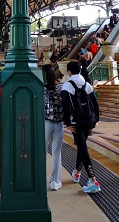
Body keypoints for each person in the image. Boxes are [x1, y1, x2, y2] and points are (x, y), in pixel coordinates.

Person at [61, 60, 101, 193]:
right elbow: (95, 104)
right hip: (88, 121)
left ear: (69, 72)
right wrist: (95, 120)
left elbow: (66, 107)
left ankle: (93, 180)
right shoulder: (87, 85)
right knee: (81, 145)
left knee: (83, 148)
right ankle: (77, 172)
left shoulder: (67, 86)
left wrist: (67, 124)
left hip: (76, 123)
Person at [42, 64, 64, 191]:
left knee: (42, 152)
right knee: (56, 152)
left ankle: (41, 179)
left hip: (45, 122)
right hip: (58, 122)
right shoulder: (60, 88)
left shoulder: (40, 89)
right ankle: (55, 180)